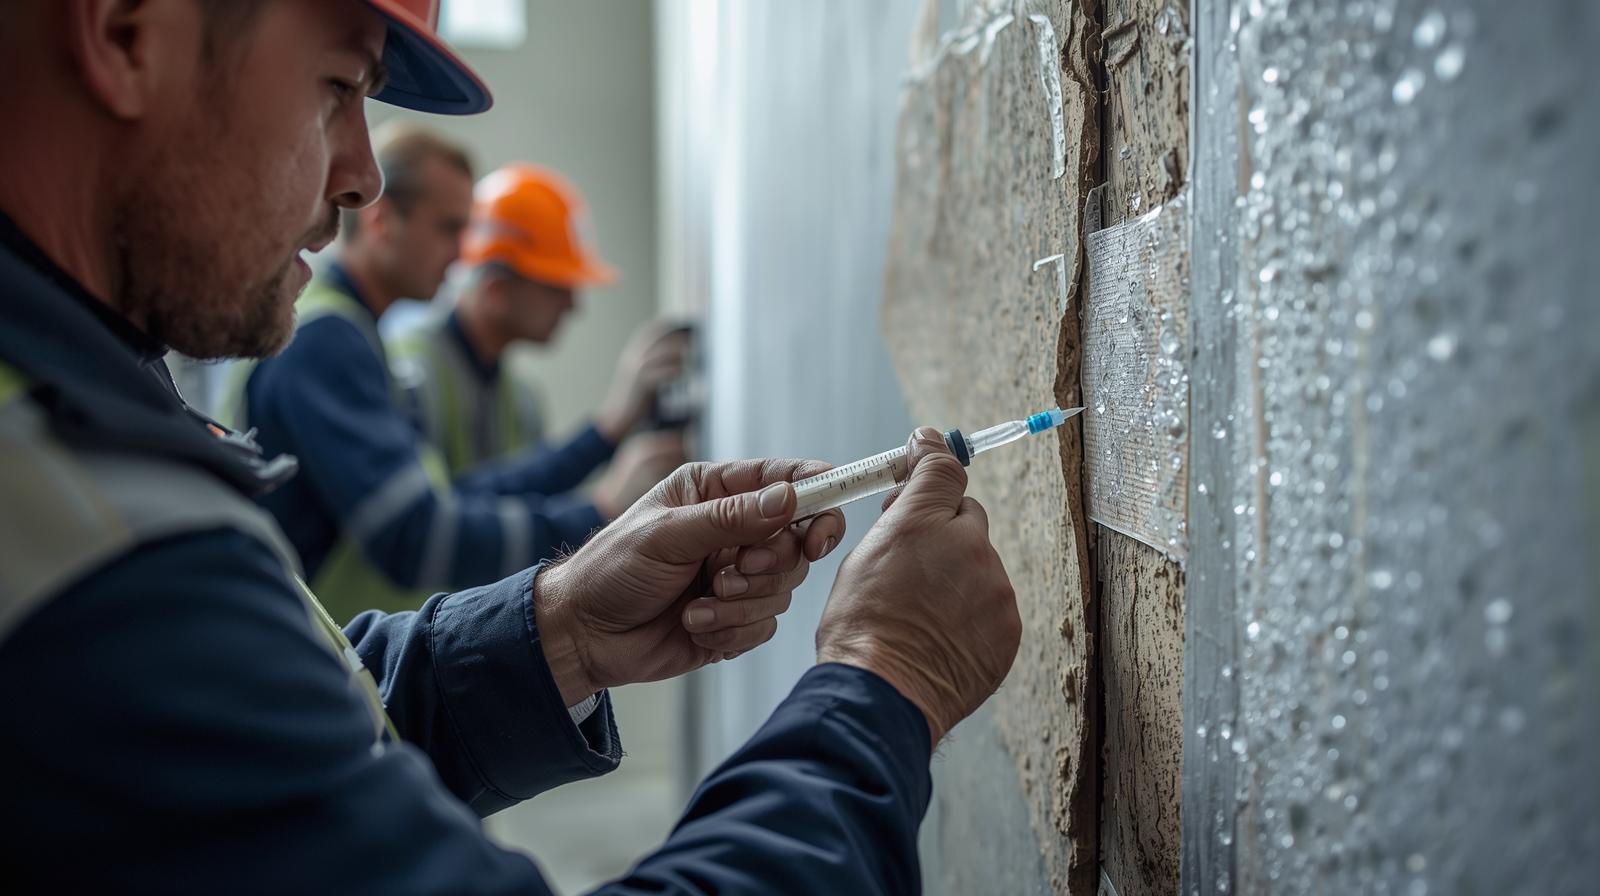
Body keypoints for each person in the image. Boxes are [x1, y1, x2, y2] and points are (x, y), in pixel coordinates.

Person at [0, 1, 1022, 893]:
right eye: (334, 89)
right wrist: (886, 674)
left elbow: (273, 713)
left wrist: (559, 629)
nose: (360, 178)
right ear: (126, 30)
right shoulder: (82, 542)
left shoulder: (91, 435)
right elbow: (408, 539)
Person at [219, 123, 683, 622]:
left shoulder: (355, 334)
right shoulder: (327, 339)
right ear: (380, 221)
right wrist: (599, 513)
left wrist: (606, 440)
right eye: (449, 229)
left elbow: (453, 499)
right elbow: (417, 537)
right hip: (298, 651)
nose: (466, 255)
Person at [386, 162, 689, 514]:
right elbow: (440, 519)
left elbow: (525, 510)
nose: (574, 306)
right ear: (495, 291)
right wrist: (607, 450)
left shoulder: (520, 401)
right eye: (557, 288)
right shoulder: (409, 371)